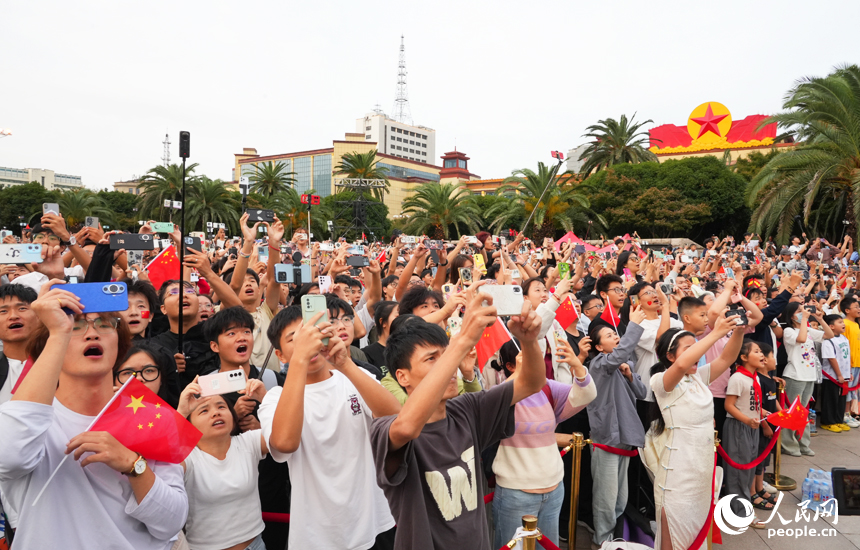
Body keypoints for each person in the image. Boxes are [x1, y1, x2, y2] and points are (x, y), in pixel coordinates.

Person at [0, 282, 187, 549]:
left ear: (119, 343)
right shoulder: (24, 416)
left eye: (104, 324)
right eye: (75, 325)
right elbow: (8, 458)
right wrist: (57, 332)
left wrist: (133, 465)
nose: (92, 334)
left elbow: (171, 522)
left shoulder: (151, 417)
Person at [370, 290, 546, 550]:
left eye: (446, 355)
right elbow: (407, 428)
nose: (449, 367)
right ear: (402, 377)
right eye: (432, 359)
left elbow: (531, 383)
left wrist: (529, 341)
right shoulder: (385, 428)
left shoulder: (467, 409)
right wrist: (461, 341)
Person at [259, 306, 400, 550]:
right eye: (296, 339)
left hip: (376, 524)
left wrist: (345, 365)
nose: (309, 342)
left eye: (313, 333)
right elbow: (284, 444)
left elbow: (395, 416)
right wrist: (300, 362)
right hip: (317, 537)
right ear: (281, 355)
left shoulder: (353, 378)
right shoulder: (275, 398)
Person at [643, 312, 744, 550]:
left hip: (701, 466)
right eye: (689, 348)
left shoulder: (697, 377)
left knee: (697, 529)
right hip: (678, 471)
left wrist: (739, 330)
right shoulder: (661, 380)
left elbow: (727, 357)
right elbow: (681, 364)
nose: (696, 353)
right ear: (669, 354)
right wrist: (717, 332)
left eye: (696, 348)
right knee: (675, 533)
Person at [491, 336, 596, 549]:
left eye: (537, 356)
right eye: (528, 358)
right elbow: (490, 407)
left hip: (554, 488)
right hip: (516, 492)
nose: (536, 363)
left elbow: (586, 394)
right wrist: (520, 375)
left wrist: (577, 364)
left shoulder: (547, 388)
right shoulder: (503, 392)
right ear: (510, 366)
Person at [177, 384, 269, 550]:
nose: (216, 412)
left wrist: (265, 397)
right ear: (188, 424)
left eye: (221, 406)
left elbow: (286, 432)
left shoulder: (248, 442)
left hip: (256, 544)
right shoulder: (187, 458)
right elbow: (157, 460)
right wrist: (180, 413)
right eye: (204, 410)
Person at [586, 306, 647, 548]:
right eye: (609, 336)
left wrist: (630, 374)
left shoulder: (623, 364)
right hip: (607, 439)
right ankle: (602, 540)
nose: (615, 337)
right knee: (606, 497)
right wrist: (633, 324)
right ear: (599, 347)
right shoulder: (600, 365)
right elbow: (618, 355)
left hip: (625, 436)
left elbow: (642, 392)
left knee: (621, 497)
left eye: (616, 333)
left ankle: (615, 537)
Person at [723, 341, 768, 527]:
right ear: (743, 357)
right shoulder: (738, 378)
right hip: (738, 427)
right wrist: (746, 420)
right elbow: (729, 405)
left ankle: (741, 506)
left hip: (751, 427)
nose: (761, 353)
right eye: (756, 351)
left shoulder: (754, 378)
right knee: (738, 471)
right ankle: (740, 512)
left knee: (748, 469)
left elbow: (751, 403)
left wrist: (763, 413)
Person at [779, 302, 833, 456]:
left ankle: (803, 443)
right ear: (791, 315)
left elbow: (828, 335)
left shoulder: (808, 329)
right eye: (799, 311)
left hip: (809, 375)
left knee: (803, 412)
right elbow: (801, 339)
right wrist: (804, 320)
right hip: (795, 375)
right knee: (791, 412)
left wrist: (820, 319)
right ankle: (789, 445)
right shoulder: (789, 331)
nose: (803, 313)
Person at [114, 342, 181, 408]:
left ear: (161, 378)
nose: (139, 379)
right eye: (128, 373)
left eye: (148, 370)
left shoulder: (180, 414)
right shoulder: (104, 416)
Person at [820, 314, 856, 431]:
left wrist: (848, 373)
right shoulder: (828, 341)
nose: (843, 324)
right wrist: (839, 375)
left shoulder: (844, 338)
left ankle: (838, 420)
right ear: (831, 326)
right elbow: (831, 358)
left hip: (844, 376)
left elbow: (847, 357)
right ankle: (828, 421)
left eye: (842, 322)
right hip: (832, 377)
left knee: (841, 399)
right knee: (831, 399)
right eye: (839, 322)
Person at [362, 301, 399, 370]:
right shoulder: (367, 353)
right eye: (397, 316)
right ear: (383, 322)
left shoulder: (408, 349)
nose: (402, 320)